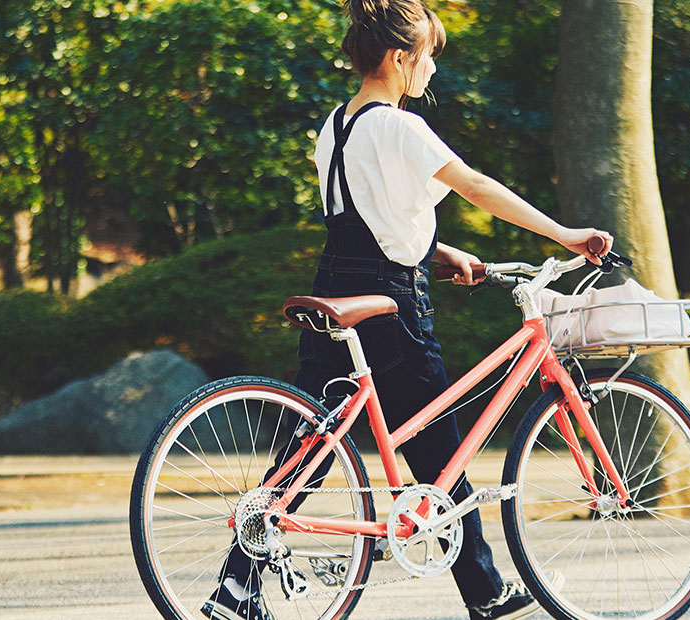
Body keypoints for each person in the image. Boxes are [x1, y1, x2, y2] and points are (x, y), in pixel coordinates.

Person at [203, 1, 614, 619]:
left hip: (337, 286)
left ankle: (235, 587)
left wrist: (441, 252)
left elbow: (365, 216)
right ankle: (485, 590)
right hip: (390, 302)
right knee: (440, 451)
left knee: (309, 448)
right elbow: (476, 186)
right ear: (399, 58)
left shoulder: (335, 126)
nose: (431, 72)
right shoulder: (401, 127)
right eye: (428, 58)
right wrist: (564, 234)